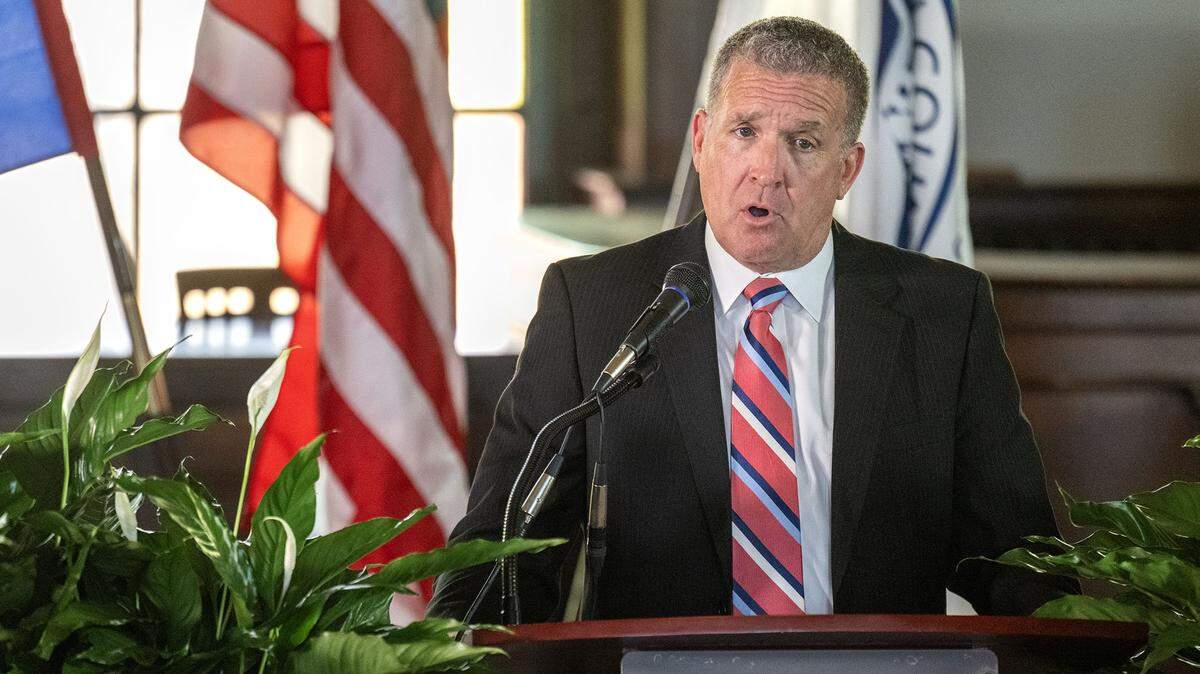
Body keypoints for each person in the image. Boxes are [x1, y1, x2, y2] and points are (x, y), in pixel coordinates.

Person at [428, 16, 1073, 623]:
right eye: (745, 132)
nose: (767, 171)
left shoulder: (942, 313)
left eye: (803, 142)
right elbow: (504, 546)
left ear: (847, 169)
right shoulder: (595, 304)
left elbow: (1020, 560)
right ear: (703, 140)